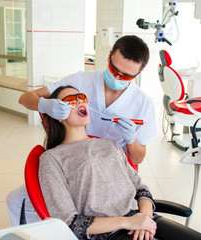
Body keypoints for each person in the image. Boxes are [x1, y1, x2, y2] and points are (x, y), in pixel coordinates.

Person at [7, 35, 157, 225]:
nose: (118, 78)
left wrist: (131, 139)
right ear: (109, 56)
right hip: (78, 168)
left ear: (138, 73)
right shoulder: (81, 81)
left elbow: (138, 159)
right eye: (114, 69)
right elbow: (26, 98)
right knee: (16, 200)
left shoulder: (143, 104)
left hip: (113, 169)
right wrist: (44, 105)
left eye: (126, 76)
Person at [39, 85, 156, 240]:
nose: (79, 102)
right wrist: (128, 222)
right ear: (58, 114)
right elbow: (68, 222)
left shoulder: (110, 144)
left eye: (82, 98)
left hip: (144, 219)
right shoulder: (52, 158)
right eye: (70, 101)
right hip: (111, 233)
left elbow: (140, 188)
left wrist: (145, 218)